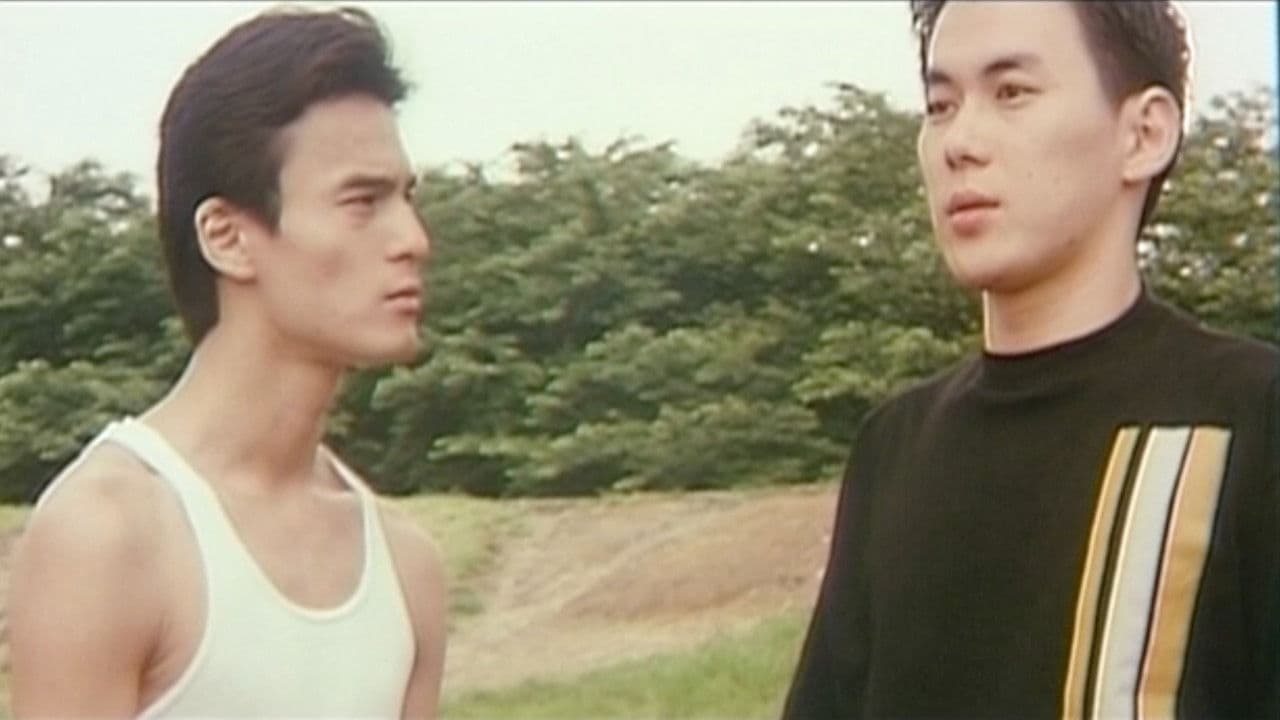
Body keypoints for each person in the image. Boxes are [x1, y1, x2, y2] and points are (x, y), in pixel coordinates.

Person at [783, 1, 1278, 717]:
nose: (959, 142)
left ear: (1145, 134)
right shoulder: (894, 446)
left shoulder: (1250, 418)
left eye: (1011, 92)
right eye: (940, 105)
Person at [7, 6, 446, 718]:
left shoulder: (406, 568)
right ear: (227, 237)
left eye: (406, 198)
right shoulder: (109, 534)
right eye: (362, 201)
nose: (414, 240)